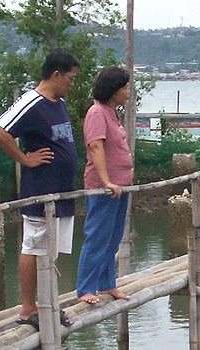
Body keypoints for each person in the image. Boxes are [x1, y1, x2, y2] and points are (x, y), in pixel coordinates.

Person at [0, 49, 79, 329]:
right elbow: (1, 129)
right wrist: (23, 158)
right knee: (33, 246)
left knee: (50, 251)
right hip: (40, 190)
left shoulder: (58, 102)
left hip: (60, 192)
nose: (72, 83)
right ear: (55, 75)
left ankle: (47, 304)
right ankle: (27, 307)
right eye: (69, 78)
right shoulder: (31, 102)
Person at [76, 67, 133, 304]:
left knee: (113, 237)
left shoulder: (111, 112)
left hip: (120, 187)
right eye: (125, 88)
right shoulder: (97, 112)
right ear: (113, 90)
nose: (128, 92)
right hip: (104, 189)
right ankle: (85, 288)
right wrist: (107, 180)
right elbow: (96, 147)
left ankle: (107, 283)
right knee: (98, 236)